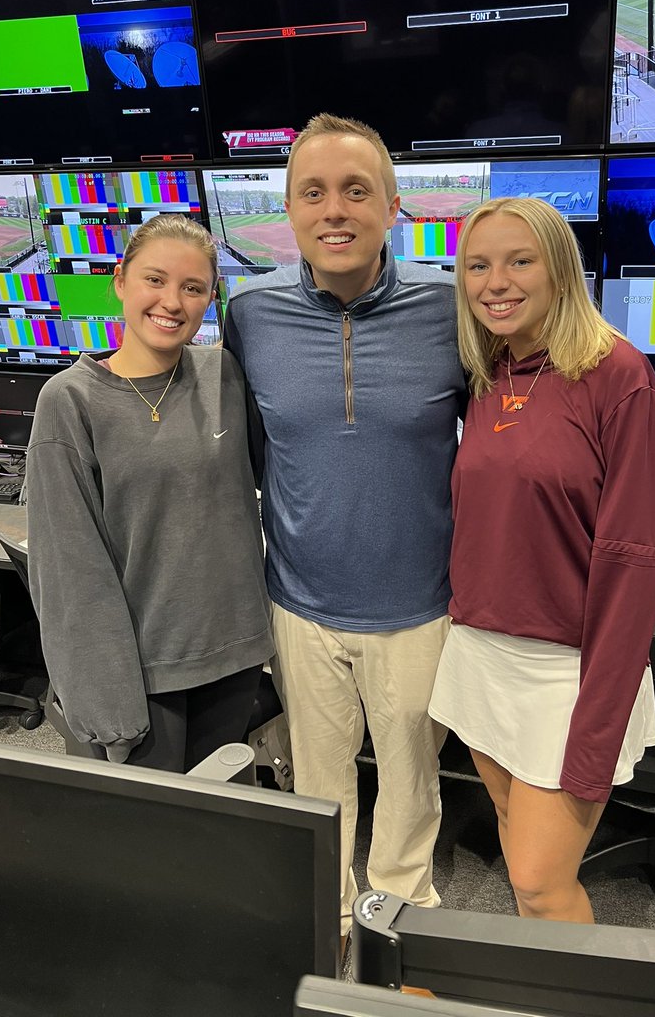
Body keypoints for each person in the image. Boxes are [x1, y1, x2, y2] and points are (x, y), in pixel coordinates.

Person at [224, 114, 466, 944]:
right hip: (298, 606)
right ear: (289, 211)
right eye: (314, 192)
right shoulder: (249, 316)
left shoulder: (452, 310)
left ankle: (400, 935)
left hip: (420, 610)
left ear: (393, 206)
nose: (335, 209)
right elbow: (250, 460)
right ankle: (325, 931)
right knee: (317, 796)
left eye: (356, 190)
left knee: (410, 798)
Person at [429, 196, 655, 923]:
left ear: (560, 270)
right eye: (478, 265)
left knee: (541, 878)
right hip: (481, 651)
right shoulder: (492, 371)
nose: (495, 281)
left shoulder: (619, 378)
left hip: (566, 673)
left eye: (518, 261)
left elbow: (636, 558)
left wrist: (599, 722)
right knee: (517, 854)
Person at [27, 214, 273, 771]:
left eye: (193, 288)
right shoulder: (70, 402)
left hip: (234, 657)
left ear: (211, 299)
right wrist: (107, 706)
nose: (172, 302)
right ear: (120, 281)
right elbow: (70, 574)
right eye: (154, 280)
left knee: (218, 821)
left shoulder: (225, 375)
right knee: (153, 846)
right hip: (141, 672)